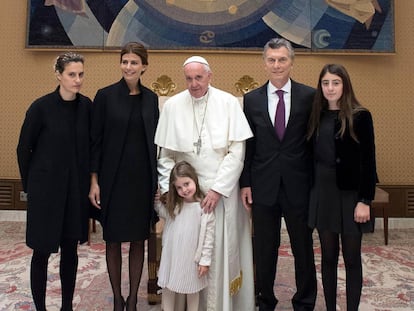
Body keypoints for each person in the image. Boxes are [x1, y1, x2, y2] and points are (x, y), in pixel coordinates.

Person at [154, 55, 255, 311]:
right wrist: (171, 193)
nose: (194, 84)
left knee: (219, 253)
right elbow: (165, 156)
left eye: (199, 77)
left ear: (210, 76)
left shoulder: (228, 103)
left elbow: (237, 152)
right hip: (186, 198)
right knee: (188, 256)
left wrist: (218, 189)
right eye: (188, 78)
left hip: (220, 194)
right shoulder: (173, 106)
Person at [240, 38, 317, 311]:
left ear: (291, 62)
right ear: (264, 63)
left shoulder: (310, 97)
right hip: (263, 185)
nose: (277, 65)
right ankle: (265, 300)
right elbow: (247, 146)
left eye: (282, 59)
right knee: (264, 249)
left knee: (303, 248)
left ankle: (305, 301)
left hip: (299, 185)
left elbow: (313, 144)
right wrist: (245, 183)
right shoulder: (251, 100)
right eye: (271, 60)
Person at [16, 52, 91, 311]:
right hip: (45, 194)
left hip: (74, 193)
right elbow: (23, 149)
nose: (77, 80)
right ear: (58, 74)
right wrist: (31, 187)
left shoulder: (87, 107)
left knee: (70, 252)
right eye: (72, 74)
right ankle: (40, 308)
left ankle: (67, 307)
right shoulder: (40, 107)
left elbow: (91, 149)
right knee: (41, 253)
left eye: (81, 74)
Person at [88, 42, 159, 311]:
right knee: (114, 240)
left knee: (139, 239)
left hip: (141, 181)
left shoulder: (151, 99)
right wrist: (94, 181)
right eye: (125, 61)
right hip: (112, 180)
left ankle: (132, 300)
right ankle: (118, 298)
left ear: (144, 67)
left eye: (134, 62)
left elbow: (156, 143)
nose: (129, 67)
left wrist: (158, 183)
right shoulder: (104, 96)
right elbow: (95, 141)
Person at [307, 64, 377, 311]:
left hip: (350, 196)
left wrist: (365, 200)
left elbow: (369, 162)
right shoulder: (315, 115)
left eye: (335, 82)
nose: (330, 88)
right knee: (327, 257)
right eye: (326, 83)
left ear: (344, 85)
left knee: (351, 259)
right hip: (322, 194)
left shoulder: (360, 115)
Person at [155, 161, 215, 311]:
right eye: (179, 187)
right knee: (168, 287)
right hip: (172, 256)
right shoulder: (175, 205)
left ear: (194, 178)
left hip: (191, 259)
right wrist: (157, 201)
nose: (184, 190)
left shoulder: (204, 208)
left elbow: (209, 237)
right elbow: (163, 213)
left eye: (187, 184)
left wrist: (205, 261)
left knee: (192, 289)